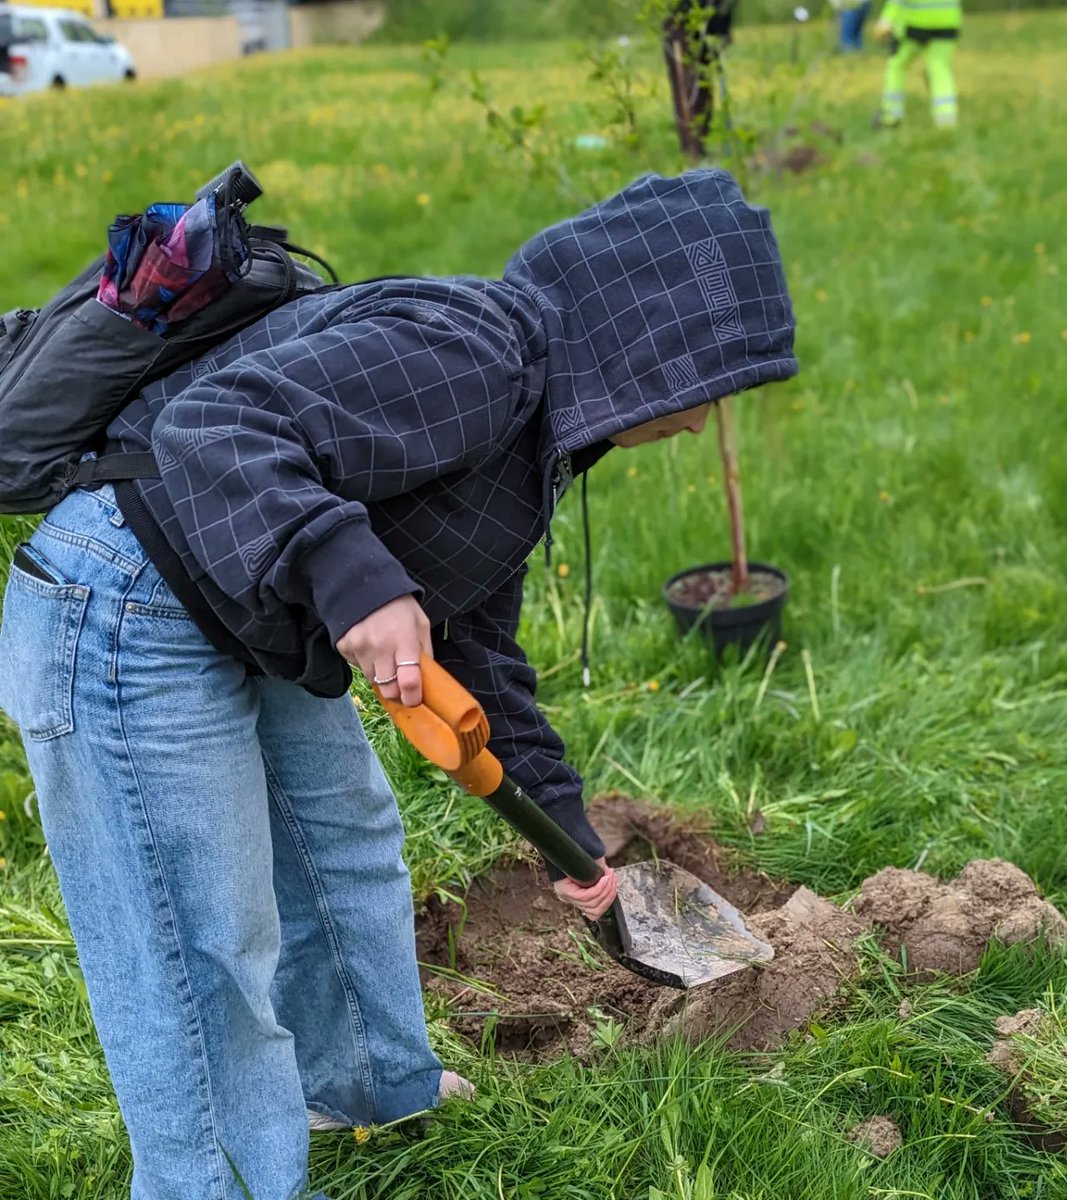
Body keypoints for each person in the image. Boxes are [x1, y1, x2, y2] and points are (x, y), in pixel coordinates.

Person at [0, 168, 797, 1200]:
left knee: (345, 840)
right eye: (708, 385)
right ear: (646, 339)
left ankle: (367, 1088)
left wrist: (573, 843)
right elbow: (219, 428)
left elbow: (482, 659)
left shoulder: (537, 439)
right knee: (197, 935)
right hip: (125, 601)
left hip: (249, 590)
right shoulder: (471, 347)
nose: (698, 423)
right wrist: (356, 577)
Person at [662, 0, 738, 158]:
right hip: (682, 25)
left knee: (704, 90)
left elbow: (726, 5)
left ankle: (701, 147)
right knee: (686, 90)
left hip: (708, 28)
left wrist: (723, 32)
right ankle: (692, 152)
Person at [873, 0, 962, 129]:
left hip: (914, 22)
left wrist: (886, 20)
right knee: (940, 69)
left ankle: (891, 116)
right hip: (948, 20)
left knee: (897, 65)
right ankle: (946, 121)